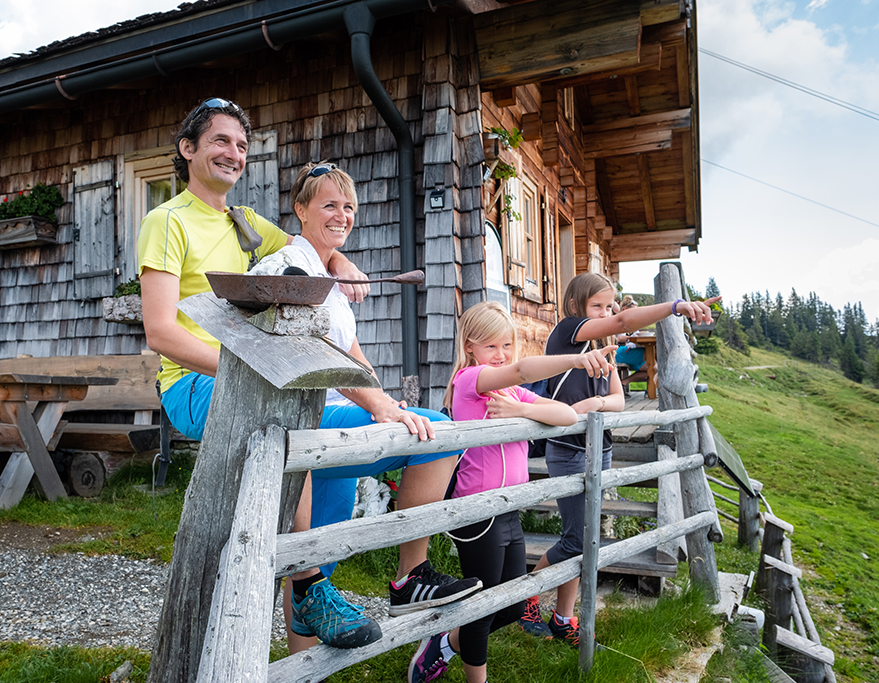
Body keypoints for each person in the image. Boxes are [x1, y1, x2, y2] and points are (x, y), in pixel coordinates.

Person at [138, 98, 480, 651]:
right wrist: (257, 368)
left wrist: (341, 263)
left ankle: (363, 585)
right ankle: (308, 583)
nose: (233, 153)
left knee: (379, 460)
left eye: (242, 146)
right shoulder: (166, 220)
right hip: (195, 383)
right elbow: (160, 331)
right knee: (293, 415)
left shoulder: (246, 224)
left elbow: (310, 252)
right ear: (188, 149)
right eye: (220, 141)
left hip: (272, 387)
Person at [408, 301, 615, 683]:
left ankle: (446, 642)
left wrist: (521, 412)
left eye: (506, 346)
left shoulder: (513, 395)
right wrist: (574, 360)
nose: (501, 355)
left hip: (510, 509)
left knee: (513, 604)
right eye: (491, 347)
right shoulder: (470, 381)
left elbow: (567, 416)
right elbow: (519, 370)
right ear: (470, 347)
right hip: (478, 512)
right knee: (484, 606)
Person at [517, 272, 720, 648]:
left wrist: (594, 404)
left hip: (602, 449)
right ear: (577, 306)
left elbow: (618, 400)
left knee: (585, 538)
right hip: (572, 450)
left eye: (610, 305)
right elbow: (625, 320)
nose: (608, 313)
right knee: (576, 539)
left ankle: (563, 617)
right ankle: (527, 598)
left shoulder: (603, 349)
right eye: (599, 306)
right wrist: (676, 306)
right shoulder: (568, 331)